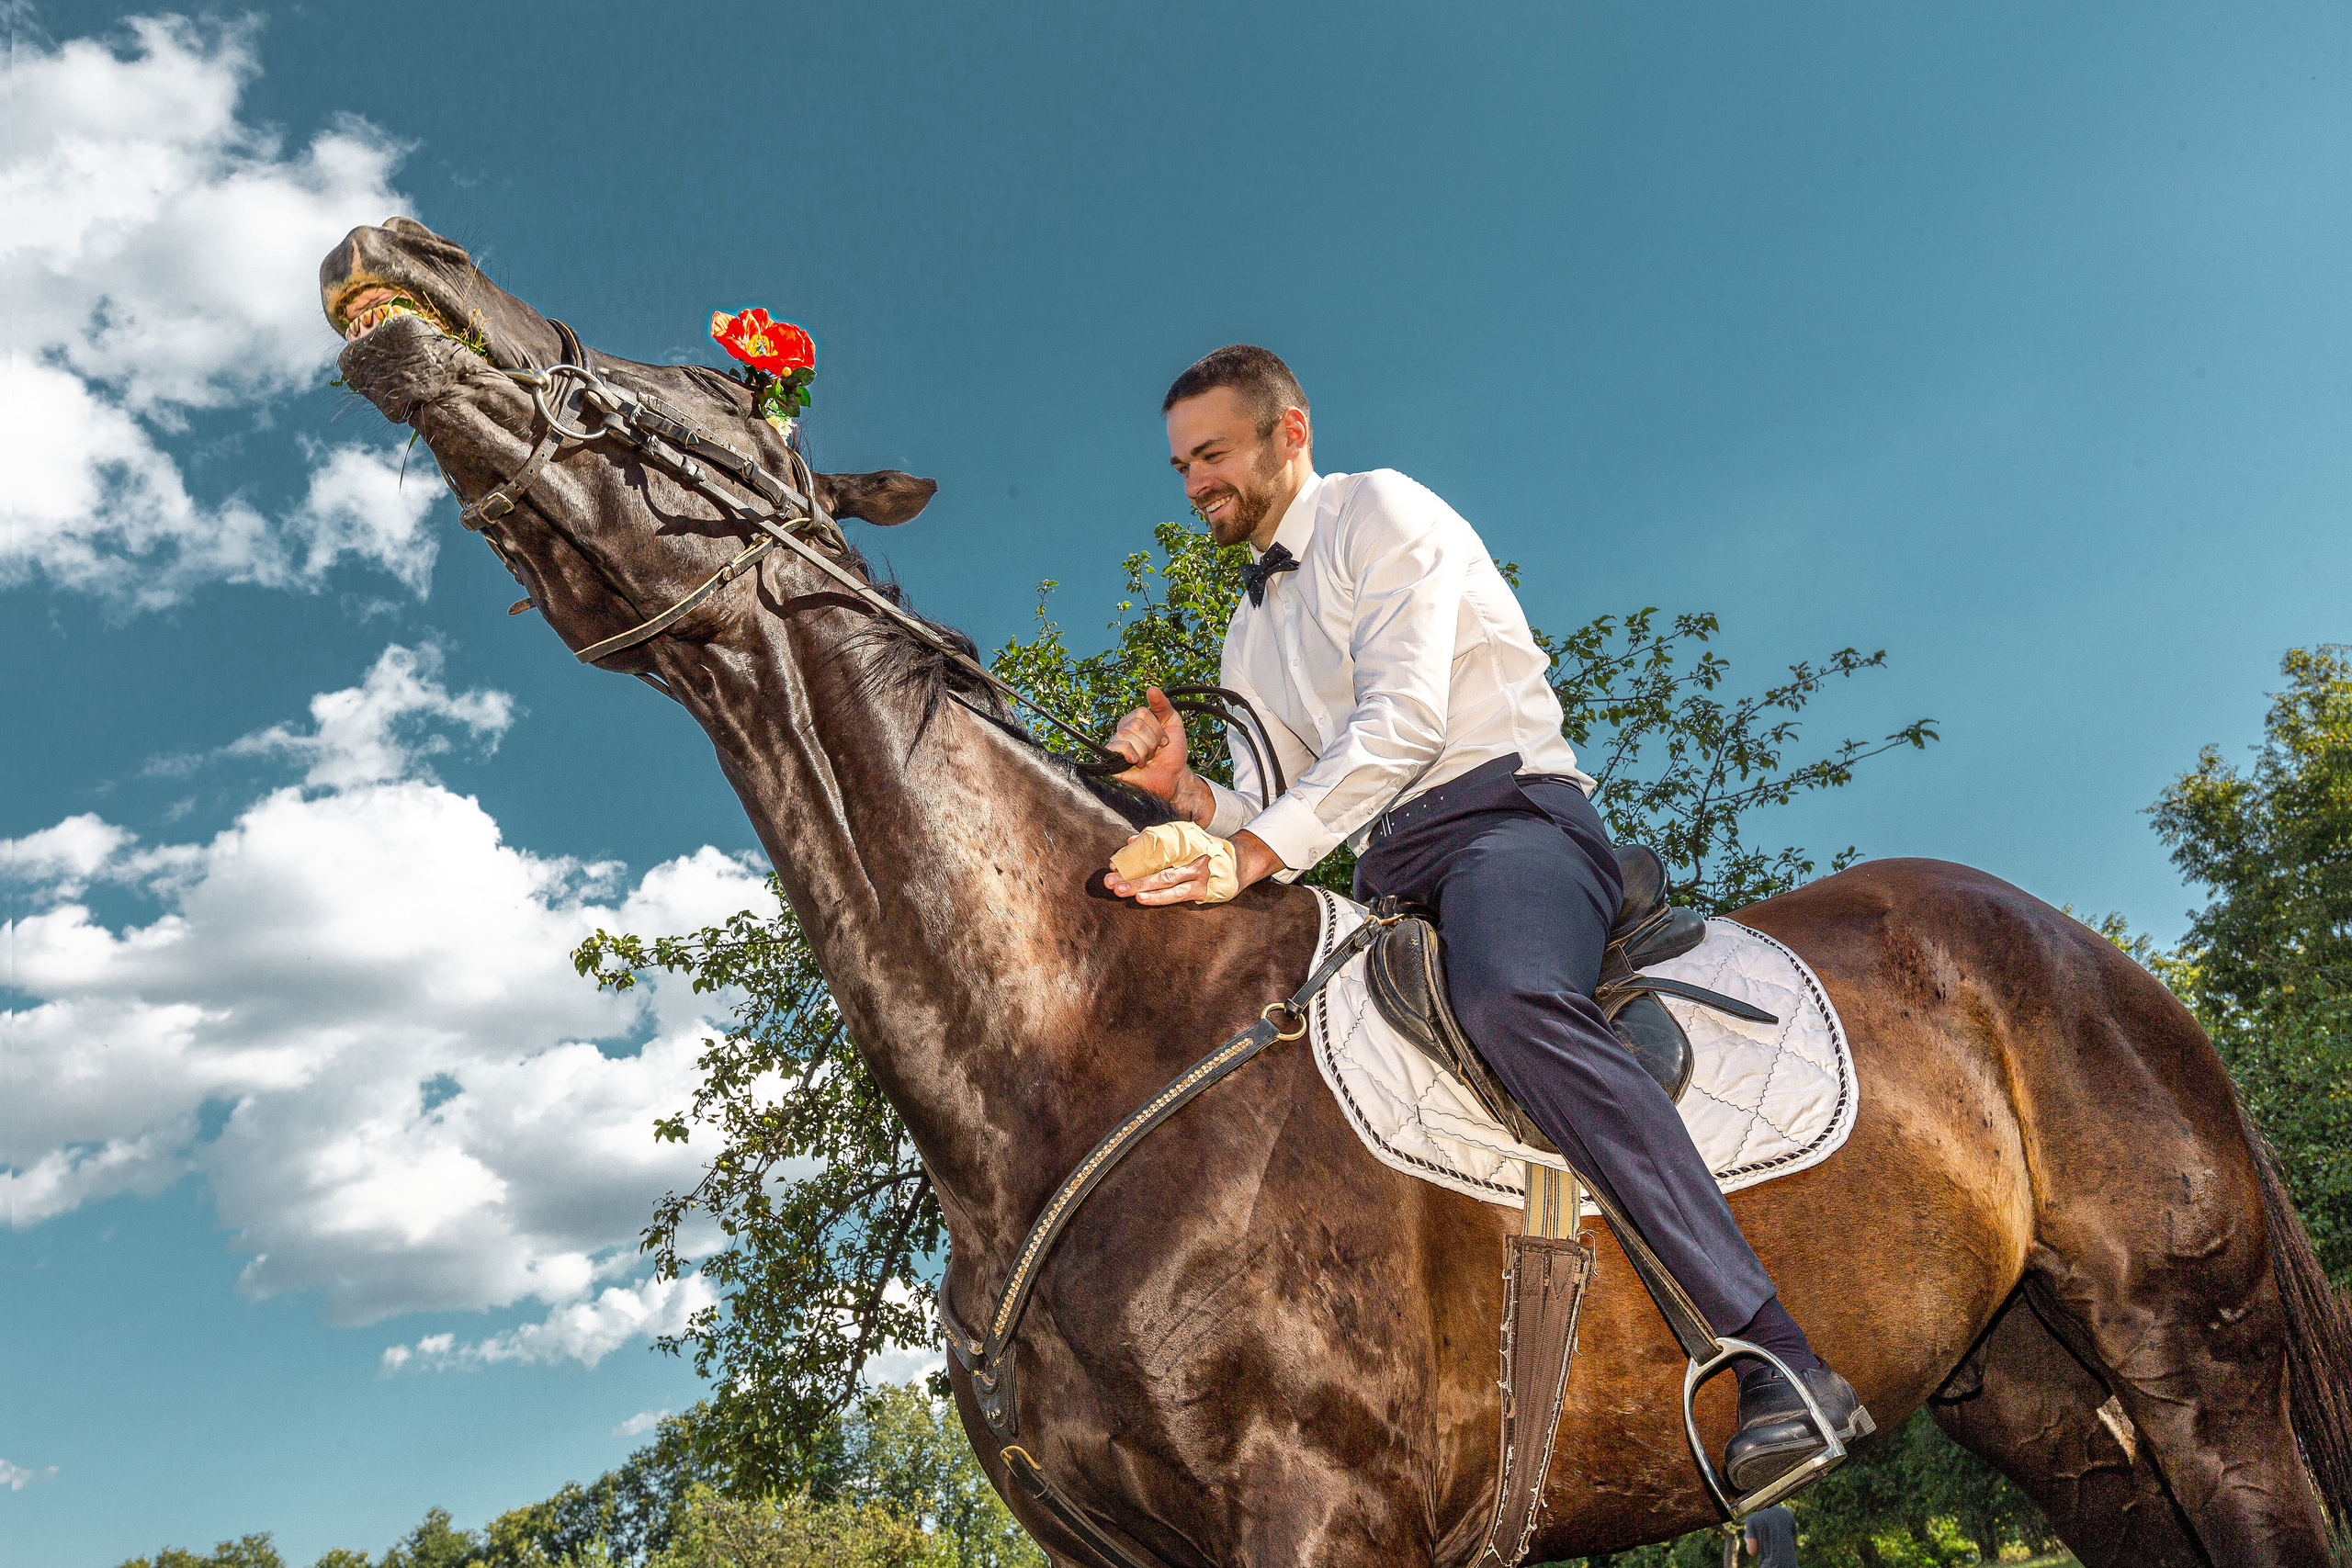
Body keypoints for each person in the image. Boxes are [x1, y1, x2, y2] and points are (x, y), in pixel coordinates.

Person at [1101, 344, 1871, 1493]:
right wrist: (1191, 799)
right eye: (1179, 467)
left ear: (1289, 431)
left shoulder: (1384, 512)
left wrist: (1247, 851)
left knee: (1510, 999)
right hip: (1385, 876)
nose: (1195, 482)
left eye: (1212, 454)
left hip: (1510, 824)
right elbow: (1287, 798)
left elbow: (1403, 723)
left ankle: (1777, 1355)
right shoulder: (1246, 631)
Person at [1744, 1504, 1802, 1568]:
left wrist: (1747, 1540)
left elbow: (1752, 1550)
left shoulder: (1752, 1517)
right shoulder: (1787, 1513)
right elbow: (1795, 1544)